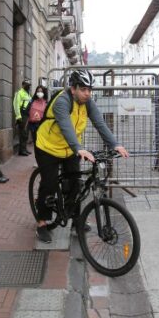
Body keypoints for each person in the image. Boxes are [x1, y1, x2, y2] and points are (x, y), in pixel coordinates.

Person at [34, 69, 129, 243]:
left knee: (75, 185)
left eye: (89, 89)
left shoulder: (87, 103)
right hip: (47, 147)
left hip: (69, 150)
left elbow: (99, 123)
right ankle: (41, 223)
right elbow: (65, 126)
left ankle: (76, 220)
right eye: (83, 89)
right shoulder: (62, 101)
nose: (87, 93)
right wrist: (79, 148)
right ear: (73, 89)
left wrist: (114, 144)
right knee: (49, 183)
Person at [13, 79, 32, 156]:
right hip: (22, 115)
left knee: (26, 133)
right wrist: (18, 116)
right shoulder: (19, 93)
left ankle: (24, 149)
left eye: (29, 85)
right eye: (27, 85)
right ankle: (22, 150)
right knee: (23, 133)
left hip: (27, 115)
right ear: (23, 85)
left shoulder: (28, 94)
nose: (28, 87)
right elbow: (16, 105)